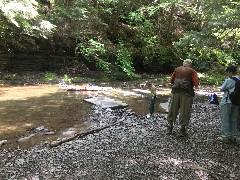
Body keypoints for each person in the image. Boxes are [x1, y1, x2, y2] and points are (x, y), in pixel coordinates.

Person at [166, 59, 199, 137]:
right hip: (186, 94)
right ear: (190, 64)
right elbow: (196, 83)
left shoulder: (177, 69)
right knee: (184, 111)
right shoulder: (192, 71)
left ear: (183, 64)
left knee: (172, 109)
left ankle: (169, 128)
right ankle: (182, 130)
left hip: (175, 92)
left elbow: (171, 80)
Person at [217, 65, 239, 143]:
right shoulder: (239, 79)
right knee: (233, 120)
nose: (227, 74)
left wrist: (218, 88)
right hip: (236, 102)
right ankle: (233, 137)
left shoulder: (229, 80)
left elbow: (222, 89)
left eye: (227, 72)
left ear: (230, 72)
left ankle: (225, 137)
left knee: (225, 119)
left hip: (227, 102)